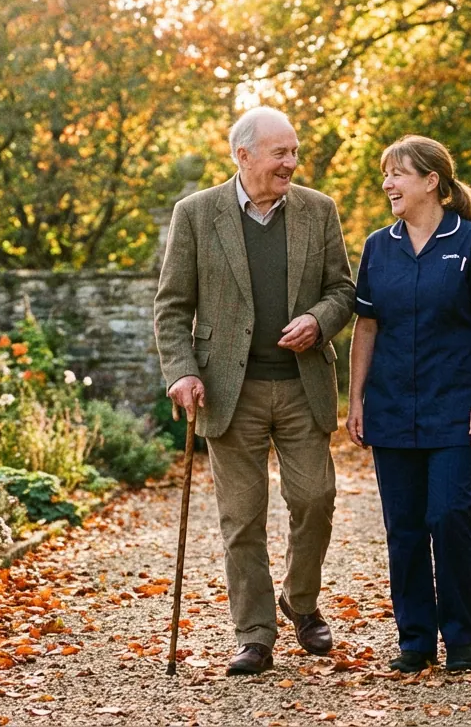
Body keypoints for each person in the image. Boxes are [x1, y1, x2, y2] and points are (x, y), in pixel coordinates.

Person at [153, 107, 356, 676]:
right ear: (243, 156)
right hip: (228, 391)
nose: (291, 162)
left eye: (294, 152)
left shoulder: (319, 210)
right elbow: (172, 305)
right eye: (280, 153)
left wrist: (319, 319)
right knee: (241, 517)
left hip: (301, 384)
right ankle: (255, 633)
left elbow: (343, 289)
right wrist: (181, 371)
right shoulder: (196, 214)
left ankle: (300, 600)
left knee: (315, 499)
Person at [347, 135, 471, 674]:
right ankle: (415, 641)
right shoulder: (378, 246)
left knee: (449, 516)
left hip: (456, 409)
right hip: (391, 409)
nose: (388, 184)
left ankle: (459, 638)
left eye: (397, 174)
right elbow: (366, 328)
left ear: (430, 181)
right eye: (386, 175)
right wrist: (355, 399)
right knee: (405, 528)